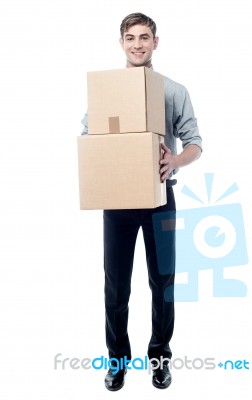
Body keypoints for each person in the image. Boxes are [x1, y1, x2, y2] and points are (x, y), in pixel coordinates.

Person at [81, 12, 202, 391]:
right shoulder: (108, 90)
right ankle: (117, 361)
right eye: (130, 38)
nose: (137, 44)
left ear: (155, 42)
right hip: (117, 200)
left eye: (144, 37)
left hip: (159, 197)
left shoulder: (173, 90)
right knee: (115, 286)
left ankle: (160, 358)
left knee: (162, 283)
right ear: (122, 43)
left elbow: (195, 142)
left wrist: (175, 160)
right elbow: (89, 136)